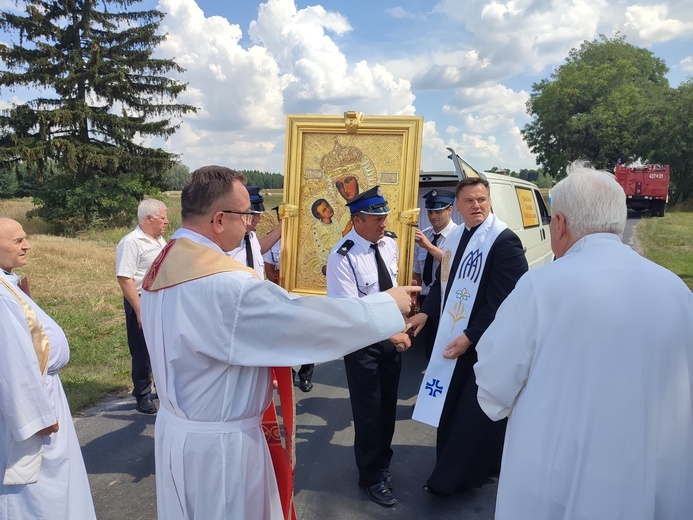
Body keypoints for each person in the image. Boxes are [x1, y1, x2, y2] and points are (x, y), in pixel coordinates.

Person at [139, 166, 418, 520]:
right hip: (221, 450)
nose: (251, 223)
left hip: (177, 432)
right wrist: (387, 305)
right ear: (220, 219)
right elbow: (301, 322)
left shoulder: (164, 262)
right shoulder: (225, 284)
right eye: (246, 215)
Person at [474, 161, 693, 519]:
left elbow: (494, 385)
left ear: (559, 224)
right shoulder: (675, 289)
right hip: (656, 472)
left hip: (558, 480)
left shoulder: (540, 287)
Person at [408, 176, 528, 496]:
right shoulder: (454, 238)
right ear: (458, 207)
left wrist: (471, 336)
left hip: (483, 344)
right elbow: (443, 285)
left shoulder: (503, 241)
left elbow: (505, 299)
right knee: (455, 410)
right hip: (455, 338)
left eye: (482, 200)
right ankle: (477, 466)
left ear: (489, 202)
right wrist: (426, 312)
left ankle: (450, 480)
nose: (477, 206)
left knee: (470, 415)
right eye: (469, 201)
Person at [0, 218, 96, 519]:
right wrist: (36, 418)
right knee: (39, 494)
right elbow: (10, 362)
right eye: (18, 241)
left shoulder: (6, 282)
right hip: (35, 410)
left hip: (46, 394)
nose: (26, 245)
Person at [326, 186, 413, 508]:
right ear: (358, 220)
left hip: (393, 339)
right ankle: (371, 477)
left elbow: (392, 291)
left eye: (385, 217)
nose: (383, 223)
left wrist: (402, 325)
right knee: (369, 414)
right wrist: (393, 334)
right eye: (376, 218)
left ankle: (382, 465)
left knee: (387, 408)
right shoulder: (342, 255)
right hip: (363, 344)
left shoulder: (389, 244)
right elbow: (351, 310)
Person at [116, 199, 168, 414]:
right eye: (163, 217)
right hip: (141, 298)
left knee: (161, 346)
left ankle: (162, 388)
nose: (166, 221)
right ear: (149, 218)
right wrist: (139, 309)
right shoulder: (131, 242)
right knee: (142, 350)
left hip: (161, 299)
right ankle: (143, 394)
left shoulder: (160, 240)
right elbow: (125, 278)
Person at [262, 221, 315, 394]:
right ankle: (288, 372)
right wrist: (286, 281)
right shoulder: (272, 240)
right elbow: (269, 270)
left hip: (305, 296)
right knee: (284, 337)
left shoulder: (308, 236)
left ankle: (306, 375)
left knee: (308, 336)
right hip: (281, 296)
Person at [412, 189, 458, 359]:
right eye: (430, 211)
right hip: (426, 299)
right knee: (430, 347)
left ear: (450, 210)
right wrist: (414, 299)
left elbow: (454, 266)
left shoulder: (458, 236)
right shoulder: (424, 235)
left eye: (438, 211)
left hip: (448, 300)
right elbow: (417, 271)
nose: (433, 216)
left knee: (447, 346)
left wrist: (429, 247)